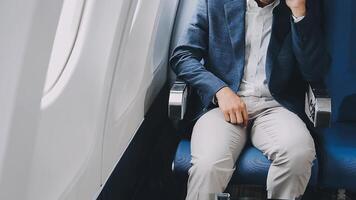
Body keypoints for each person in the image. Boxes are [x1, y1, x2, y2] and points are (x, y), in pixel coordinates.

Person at [169, 0, 329, 199]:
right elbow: (183, 56)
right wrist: (220, 90)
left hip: (277, 106)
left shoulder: (305, 6)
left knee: (298, 154)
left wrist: (298, 13)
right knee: (208, 165)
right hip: (222, 107)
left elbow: (314, 71)